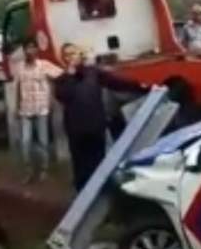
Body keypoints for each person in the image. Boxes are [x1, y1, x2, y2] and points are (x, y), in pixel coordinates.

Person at [53, 43, 149, 192]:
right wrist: (70, 75)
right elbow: (64, 96)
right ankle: (83, 194)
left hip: (96, 126)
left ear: (80, 55)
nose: (70, 57)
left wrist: (140, 85)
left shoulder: (93, 72)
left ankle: (101, 192)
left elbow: (116, 82)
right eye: (66, 55)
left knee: (98, 162)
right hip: (76, 130)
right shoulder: (62, 79)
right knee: (81, 165)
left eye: (73, 53)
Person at [14, 37, 62, 184]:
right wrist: (16, 106)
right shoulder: (20, 67)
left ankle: (44, 170)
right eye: (28, 48)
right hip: (25, 108)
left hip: (42, 108)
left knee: (43, 141)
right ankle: (28, 171)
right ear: (24, 50)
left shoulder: (44, 65)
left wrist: (51, 98)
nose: (31, 50)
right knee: (25, 141)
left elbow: (60, 76)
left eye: (33, 47)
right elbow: (18, 87)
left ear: (37, 50)